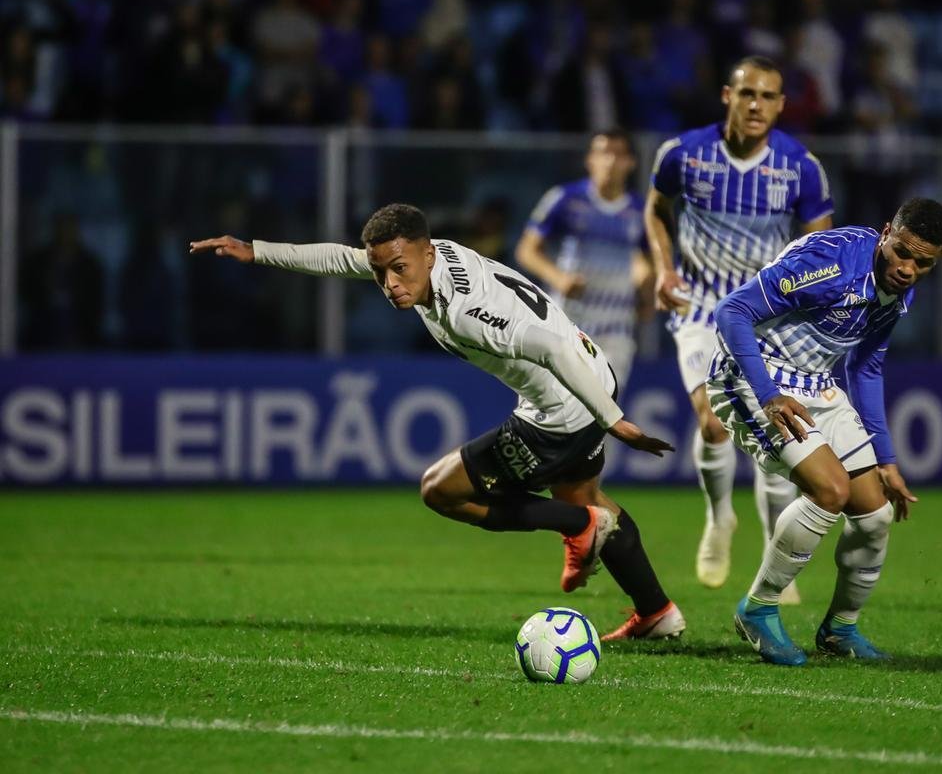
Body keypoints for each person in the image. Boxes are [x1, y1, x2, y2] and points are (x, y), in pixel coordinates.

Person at [190, 203, 686, 641]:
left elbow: (552, 348)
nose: (390, 285)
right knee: (587, 498)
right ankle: (655, 611)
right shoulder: (428, 256)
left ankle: (580, 526)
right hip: (594, 371)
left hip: (563, 408)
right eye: (382, 272)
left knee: (441, 490)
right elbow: (343, 259)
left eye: (399, 270)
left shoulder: (467, 310)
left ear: (427, 255)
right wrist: (255, 250)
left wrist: (614, 421)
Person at [709, 197, 942, 665]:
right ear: (886, 232)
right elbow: (731, 312)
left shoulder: (900, 289)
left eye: (923, 262)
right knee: (830, 490)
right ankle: (758, 609)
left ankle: (840, 629)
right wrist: (767, 394)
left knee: (875, 514)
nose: (908, 269)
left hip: (817, 386)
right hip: (752, 377)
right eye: (902, 252)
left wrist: (886, 459)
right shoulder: (829, 264)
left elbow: (865, 366)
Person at [645, 55, 834, 600]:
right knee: (711, 422)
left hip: (765, 314)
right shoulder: (683, 153)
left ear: (780, 105)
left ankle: (777, 549)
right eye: (748, 93)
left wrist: (811, 313)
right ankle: (720, 518)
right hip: (700, 307)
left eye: (769, 97)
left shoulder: (801, 167)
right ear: (728, 95)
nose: (757, 106)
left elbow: (817, 248)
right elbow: (656, 209)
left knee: (775, 439)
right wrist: (663, 267)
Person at [516, 129, 647, 388]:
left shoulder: (641, 211)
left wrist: (647, 287)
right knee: (553, 412)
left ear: (631, 163)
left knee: (600, 413)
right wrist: (558, 278)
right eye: (603, 153)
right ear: (590, 160)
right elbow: (526, 250)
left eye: (619, 155)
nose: (610, 162)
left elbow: (645, 259)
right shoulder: (565, 199)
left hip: (616, 332)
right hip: (566, 322)